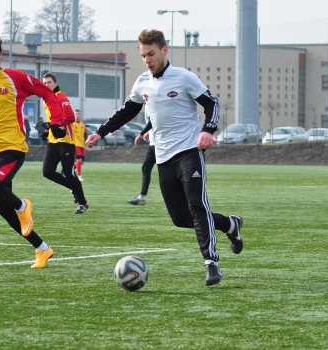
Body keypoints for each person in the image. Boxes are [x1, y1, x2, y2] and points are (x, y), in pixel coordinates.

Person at [86, 29, 244, 286]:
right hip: (164, 156)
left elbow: (212, 103)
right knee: (181, 218)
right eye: (143, 55)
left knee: (196, 205)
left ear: (164, 50)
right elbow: (127, 110)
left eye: (151, 53)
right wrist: (101, 132)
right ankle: (230, 225)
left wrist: (207, 131)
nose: (147, 59)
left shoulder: (183, 78)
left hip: (190, 152)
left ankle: (211, 263)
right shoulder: (142, 82)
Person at [0, 31, 66, 268]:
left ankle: (23, 205)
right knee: (2, 208)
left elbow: (47, 93)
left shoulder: (14, 78)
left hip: (13, 147)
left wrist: (56, 123)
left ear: (0, 55)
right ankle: (42, 249)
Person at [41, 72, 89, 214]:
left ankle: (83, 203)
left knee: (69, 174)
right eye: (44, 83)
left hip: (66, 142)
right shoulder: (46, 99)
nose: (46, 85)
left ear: (55, 83)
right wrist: (47, 131)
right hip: (53, 142)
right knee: (47, 172)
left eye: (49, 82)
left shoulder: (61, 97)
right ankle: (74, 188)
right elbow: (54, 120)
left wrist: (52, 125)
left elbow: (69, 117)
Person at [128, 113, 156, 205]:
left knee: (168, 171)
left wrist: (141, 133)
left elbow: (154, 121)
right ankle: (142, 197)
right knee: (146, 168)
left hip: (162, 144)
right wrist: (149, 132)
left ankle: (180, 197)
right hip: (153, 144)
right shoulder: (148, 104)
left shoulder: (154, 101)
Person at [71, 109, 87, 181]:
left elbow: (85, 134)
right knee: (79, 160)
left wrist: (86, 141)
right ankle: (79, 176)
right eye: (76, 114)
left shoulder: (83, 124)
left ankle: (67, 170)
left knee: (81, 162)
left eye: (78, 114)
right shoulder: (72, 124)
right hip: (75, 144)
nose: (77, 115)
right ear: (74, 115)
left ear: (80, 115)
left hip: (82, 144)